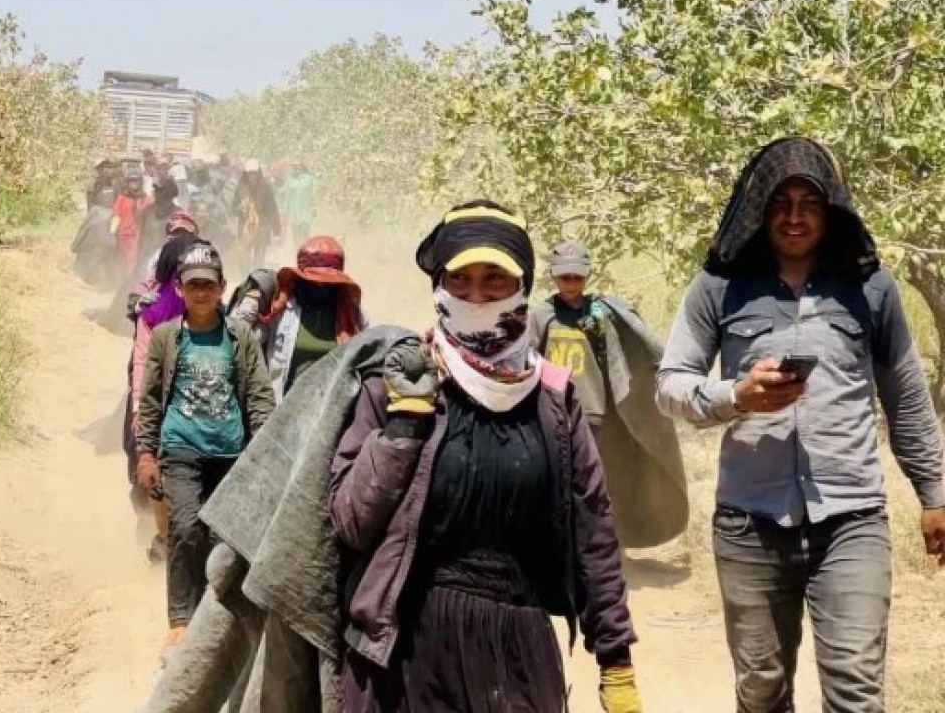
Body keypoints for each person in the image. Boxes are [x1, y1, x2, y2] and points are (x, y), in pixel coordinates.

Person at [656, 137, 945, 712]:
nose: (793, 216)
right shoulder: (717, 287)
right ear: (759, 208)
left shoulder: (873, 290)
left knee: (857, 691)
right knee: (762, 690)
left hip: (852, 520)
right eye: (779, 202)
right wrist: (735, 396)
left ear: (831, 210)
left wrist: (934, 492)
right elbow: (670, 384)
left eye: (808, 202)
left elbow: (907, 399)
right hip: (749, 523)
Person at [331, 200, 641, 713]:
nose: (476, 295)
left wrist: (616, 656)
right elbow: (351, 522)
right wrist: (405, 427)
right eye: (461, 280)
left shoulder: (554, 400)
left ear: (521, 287)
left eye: (495, 280)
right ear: (439, 286)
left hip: (518, 650)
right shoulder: (398, 380)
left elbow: (594, 530)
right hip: (407, 650)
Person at [134, 241, 276, 659]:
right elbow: (152, 399)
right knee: (184, 529)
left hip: (230, 451)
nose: (201, 292)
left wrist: (262, 453)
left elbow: (258, 396)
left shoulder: (241, 336)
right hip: (180, 448)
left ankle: (219, 623)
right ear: (179, 288)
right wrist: (146, 454)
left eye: (208, 285)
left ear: (221, 288)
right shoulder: (165, 338)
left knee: (223, 538)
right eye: (193, 284)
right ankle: (180, 622)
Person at [529, 241, 688, 548]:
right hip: (555, 412)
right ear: (553, 276)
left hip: (598, 414)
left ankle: (605, 550)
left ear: (587, 276)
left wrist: (601, 329)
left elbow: (623, 355)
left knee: (601, 484)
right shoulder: (541, 315)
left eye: (577, 277)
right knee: (559, 484)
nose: (571, 283)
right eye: (565, 277)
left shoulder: (601, 309)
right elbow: (529, 359)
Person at [125, 213, 202, 563]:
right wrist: (141, 408)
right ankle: (159, 532)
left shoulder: (218, 313)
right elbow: (141, 362)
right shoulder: (152, 312)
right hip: (160, 400)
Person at [233, 235, 367, 401]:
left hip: (329, 410)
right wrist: (254, 293)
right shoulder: (279, 309)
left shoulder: (351, 316)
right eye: (314, 281)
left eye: (328, 282)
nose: (321, 286)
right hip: (281, 407)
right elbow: (240, 337)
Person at [233, 159, 282, 276]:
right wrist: (240, 208)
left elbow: (272, 209)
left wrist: (276, 229)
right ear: (245, 174)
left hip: (262, 226)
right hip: (246, 228)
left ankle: (257, 278)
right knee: (245, 256)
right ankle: (245, 279)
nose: (252, 176)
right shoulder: (240, 189)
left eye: (254, 173)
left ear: (258, 173)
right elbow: (233, 207)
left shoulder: (266, 188)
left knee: (259, 256)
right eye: (249, 173)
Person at [110, 171, 150, 276]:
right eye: (131, 181)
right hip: (123, 234)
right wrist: (112, 233)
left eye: (136, 181)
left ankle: (129, 281)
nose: (134, 184)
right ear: (127, 183)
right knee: (122, 259)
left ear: (141, 183)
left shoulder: (146, 198)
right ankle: (122, 280)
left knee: (132, 260)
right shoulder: (122, 198)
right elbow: (116, 216)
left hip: (138, 235)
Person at [284, 162, 317, 246]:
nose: (294, 168)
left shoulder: (310, 179)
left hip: (306, 215)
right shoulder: (290, 179)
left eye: (296, 166)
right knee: (296, 240)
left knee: (305, 238)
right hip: (294, 216)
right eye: (293, 166)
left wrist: (314, 208)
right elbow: (287, 197)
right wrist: (286, 213)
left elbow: (314, 195)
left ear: (301, 166)